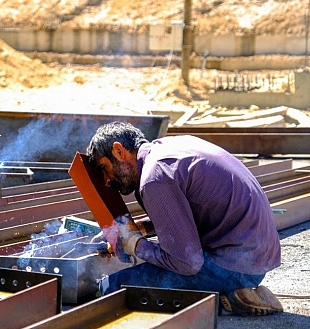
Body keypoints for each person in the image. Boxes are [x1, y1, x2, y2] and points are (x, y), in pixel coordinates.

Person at [86, 121, 283, 317]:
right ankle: (237, 292)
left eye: (104, 168)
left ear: (119, 151)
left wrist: (135, 245)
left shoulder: (155, 177)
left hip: (236, 267)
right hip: (255, 257)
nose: (107, 180)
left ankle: (229, 301)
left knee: (114, 288)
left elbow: (187, 263)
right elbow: (181, 213)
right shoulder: (168, 150)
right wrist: (138, 228)